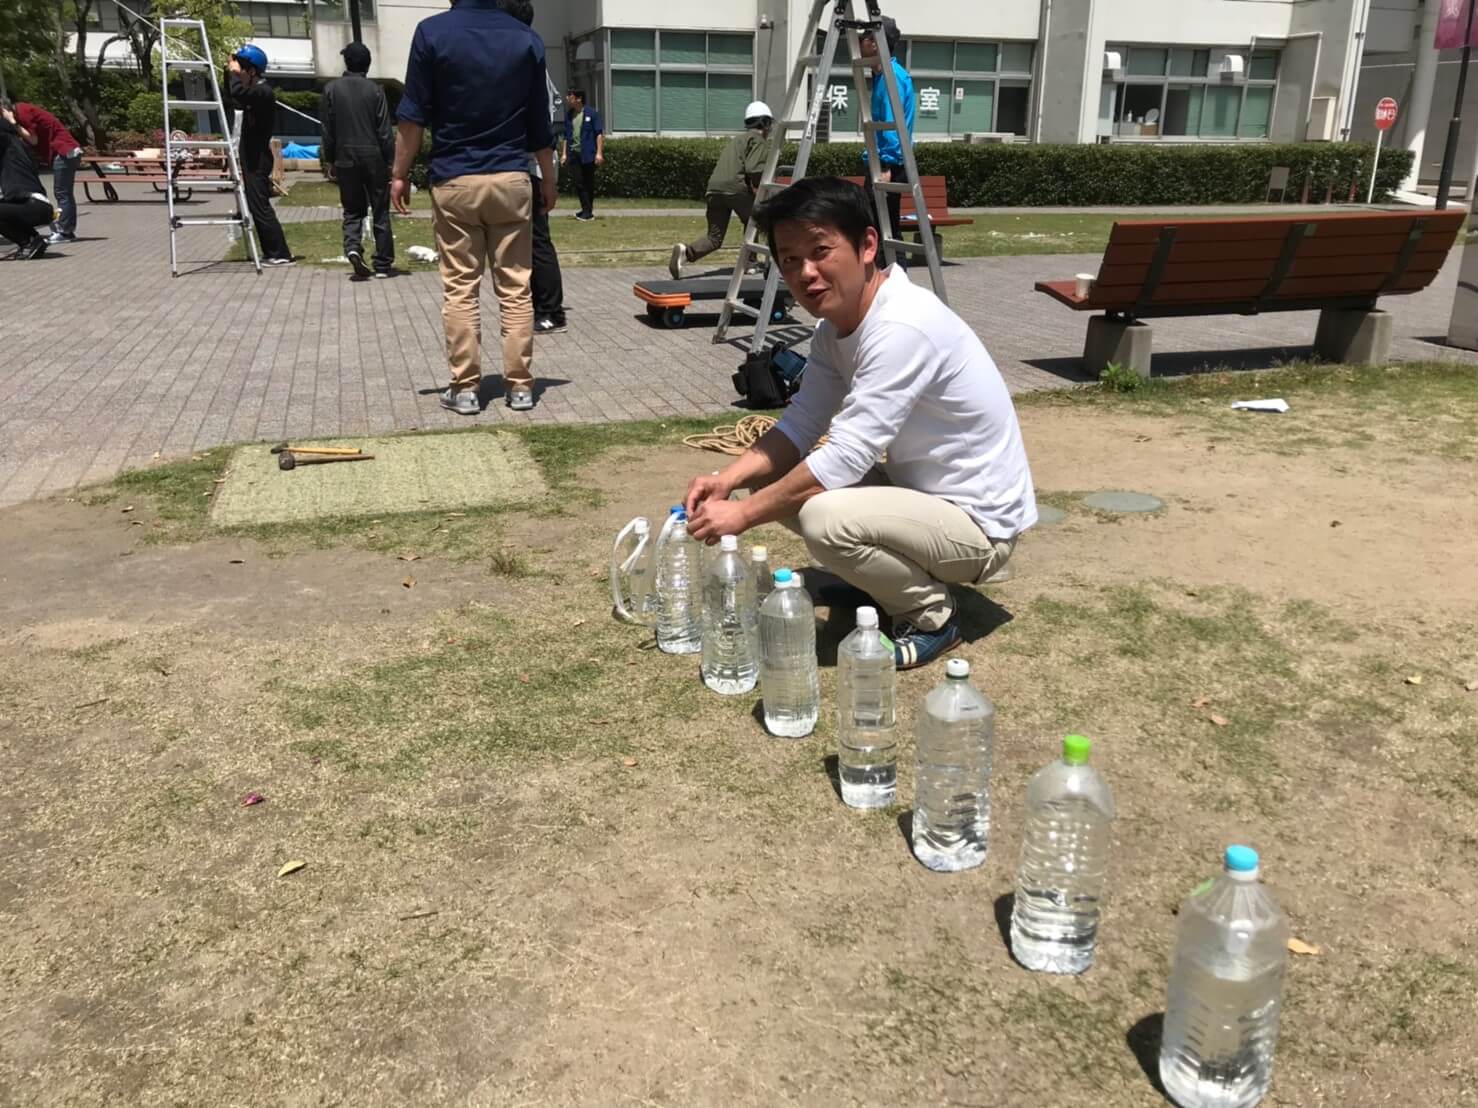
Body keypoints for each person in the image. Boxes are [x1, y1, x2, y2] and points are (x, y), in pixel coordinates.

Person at [684, 177, 1037, 671]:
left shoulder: (901, 326)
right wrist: (727, 480)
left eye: (820, 251)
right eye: (790, 259)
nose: (806, 273)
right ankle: (876, 581)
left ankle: (931, 616)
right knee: (769, 474)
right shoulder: (835, 329)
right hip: (925, 499)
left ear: (867, 245)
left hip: (979, 529)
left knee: (825, 519)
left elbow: (848, 454)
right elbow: (802, 422)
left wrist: (741, 516)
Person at [393, 0, 557, 414]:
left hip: (455, 178)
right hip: (511, 178)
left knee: (461, 287)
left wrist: (399, 174)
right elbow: (540, 121)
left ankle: (465, 388)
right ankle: (520, 387)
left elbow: (412, 117)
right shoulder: (526, 38)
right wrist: (548, 178)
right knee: (516, 287)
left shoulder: (432, 32)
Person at [669, 101, 773, 280]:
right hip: (735, 188)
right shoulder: (758, 141)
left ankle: (686, 252)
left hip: (714, 189)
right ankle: (750, 263)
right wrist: (764, 189)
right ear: (764, 123)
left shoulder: (737, 140)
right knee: (756, 220)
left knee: (714, 238)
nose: (770, 129)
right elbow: (754, 168)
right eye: (770, 124)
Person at [320, 41, 395, 279]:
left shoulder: (331, 89)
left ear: (346, 62)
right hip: (373, 156)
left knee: (352, 209)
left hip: (345, 156)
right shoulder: (376, 91)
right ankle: (382, 263)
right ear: (368, 64)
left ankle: (353, 246)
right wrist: (390, 161)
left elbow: (327, 129)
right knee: (380, 210)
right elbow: (385, 131)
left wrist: (330, 159)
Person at [227, 44, 294, 266]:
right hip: (252, 157)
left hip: (258, 159)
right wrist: (230, 74)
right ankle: (271, 252)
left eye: (242, 70)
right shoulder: (253, 93)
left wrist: (233, 74)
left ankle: (280, 253)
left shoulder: (263, 91)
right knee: (256, 205)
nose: (239, 75)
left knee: (260, 206)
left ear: (252, 71)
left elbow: (238, 92)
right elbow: (235, 97)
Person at [859, 17, 915, 258]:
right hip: (881, 161)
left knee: (885, 233)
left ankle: (894, 275)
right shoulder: (883, 75)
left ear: (875, 43)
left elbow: (893, 127)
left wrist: (887, 167)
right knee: (880, 230)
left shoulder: (892, 78)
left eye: (864, 37)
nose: (859, 42)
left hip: (887, 164)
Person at [10, 100, 82, 244]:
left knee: (62, 193)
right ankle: (65, 230)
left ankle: (65, 232)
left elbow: (33, 140)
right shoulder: (22, 110)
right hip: (64, 153)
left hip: (64, 151)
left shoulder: (22, 111)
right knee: (63, 193)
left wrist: (13, 124)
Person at [0, 107, 53, 260]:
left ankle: (28, 242)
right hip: (33, 204)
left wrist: (10, 120)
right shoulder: (16, 146)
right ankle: (33, 241)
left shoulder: (8, 143)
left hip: (33, 205)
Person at [560, 90, 602, 221]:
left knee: (588, 183)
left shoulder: (592, 114)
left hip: (588, 154)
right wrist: (564, 154)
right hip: (574, 153)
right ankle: (586, 210)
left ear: (579, 99)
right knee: (579, 182)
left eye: (570, 96)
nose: (567, 98)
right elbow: (566, 136)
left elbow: (599, 134)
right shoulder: (569, 115)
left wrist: (599, 153)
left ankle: (587, 212)